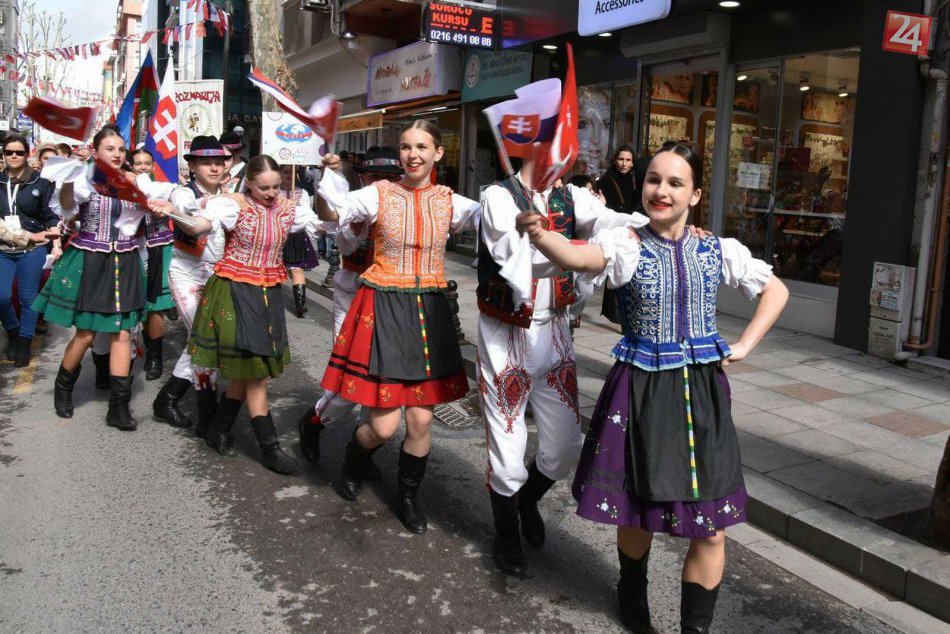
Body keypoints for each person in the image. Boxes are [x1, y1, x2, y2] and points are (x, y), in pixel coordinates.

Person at [515, 141, 789, 633]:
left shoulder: (718, 248)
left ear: (695, 194)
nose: (661, 190)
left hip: (704, 395)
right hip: (641, 389)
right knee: (639, 510)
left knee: (712, 527)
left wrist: (745, 345)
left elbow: (776, 289)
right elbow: (578, 257)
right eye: (654, 180)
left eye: (675, 183)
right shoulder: (625, 242)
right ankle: (631, 591)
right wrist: (540, 234)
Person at [477, 150, 650, 578]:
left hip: (555, 331)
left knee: (565, 448)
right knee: (507, 450)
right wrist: (550, 240)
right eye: (555, 145)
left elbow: (612, 220)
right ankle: (506, 533)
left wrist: (657, 225)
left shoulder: (571, 196)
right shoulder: (498, 196)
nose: (562, 157)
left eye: (567, 149)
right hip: (506, 334)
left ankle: (527, 499)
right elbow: (514, 255)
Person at [314, 122, 479, 534]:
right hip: (385, 307)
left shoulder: (452, 201)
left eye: (422, 146)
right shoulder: (379, 193)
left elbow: (497, 220)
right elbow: (333, 212)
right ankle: (354, 460)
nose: (413, 154)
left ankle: (408, 498)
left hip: (429, 314)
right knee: (383, 426)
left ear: (438, 153)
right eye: (406, 147)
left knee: (421, 421)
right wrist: (327, 178)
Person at [156, 155, 317, 475]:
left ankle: (218, 428)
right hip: (233, 291)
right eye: (264, 187)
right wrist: (174, 212)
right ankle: (269, 447)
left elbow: (324, 222)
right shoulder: (232, 205)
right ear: (250, 183)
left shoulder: (289, 208)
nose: (271, 193)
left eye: (276, 186)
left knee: (248, 368)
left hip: (268, 293)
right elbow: (200, 226)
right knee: (254, 372)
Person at [33, 126, 160, 429]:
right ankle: (63, 388)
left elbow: (156, 207)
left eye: (121, 149)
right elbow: (67, 208)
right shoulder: (85, 177)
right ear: (96, 150)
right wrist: (66, 180)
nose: (117, 154)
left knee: (123, 332)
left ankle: (119, 407)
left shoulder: (136, 180)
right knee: (87, 332)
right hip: (93, 259)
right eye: (110, 148)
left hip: (126, 259)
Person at [297, 145, 402, 467]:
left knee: (383, 380)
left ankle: (361, 451)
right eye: (375, 176)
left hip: (392, 302)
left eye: (389, 177)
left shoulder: (405, 207)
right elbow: (328, 216)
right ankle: (313, 421)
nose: (381, 183)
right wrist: (326, 179)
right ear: (363, 177)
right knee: (352, 377)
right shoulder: (354, 202)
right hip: (353, 297)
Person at [151, 136, 229, 432]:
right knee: (205, 338)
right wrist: (175, 211)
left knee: (209, 339)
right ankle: (206, 412)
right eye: (206, 163)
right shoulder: (184, 193)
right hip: (187, 273)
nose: (214, 168)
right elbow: (190, 221)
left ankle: (168, 399)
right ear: (192, 166)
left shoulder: (230, 195)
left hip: (219, 275)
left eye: (218, 162)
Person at [0, 134, 59, 366]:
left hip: (33, 249)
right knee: (2, 298)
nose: (14, 156)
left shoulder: (40, 183)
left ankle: (24, 343)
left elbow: (50, 215)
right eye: (9, 152)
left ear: (27, 155)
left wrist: (56, 244)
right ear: (3, 155)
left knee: (28, 299)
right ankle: (13, 332)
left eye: (19, 152)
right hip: (4, 249)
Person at [125, 148, 176, 381]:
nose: (143, 167)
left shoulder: (162, 188)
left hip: (159, 248)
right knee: (136, 304)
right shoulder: (122, 190)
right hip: (132, 250)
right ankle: (129, 352)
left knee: (155, 306)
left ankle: (155, 357)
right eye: (138, 164)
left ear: (154, 167)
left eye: (147, 163)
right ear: (131, 166)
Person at [278, 164, 318, 318]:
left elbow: (307, 214)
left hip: (296, 236)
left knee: (297, 269)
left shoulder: (302, 193)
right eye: (285, 172)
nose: (289, 175)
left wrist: (296, 206)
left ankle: (300, 304)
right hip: (279, 234)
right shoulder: (274, 192)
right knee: (275, 269)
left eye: (291, 172)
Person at [597, 146, 639, 215]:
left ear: (632, 163)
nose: (624, 164)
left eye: (628, 160)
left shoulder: (635, 178)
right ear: (615, 161)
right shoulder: (606, 180)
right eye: (621, 159)